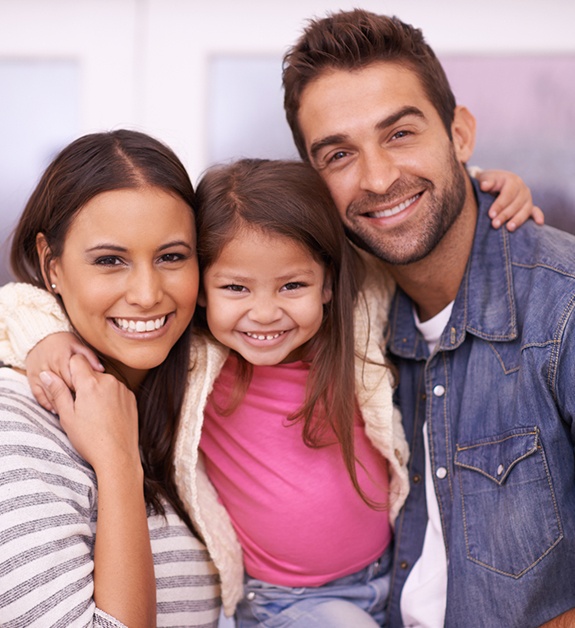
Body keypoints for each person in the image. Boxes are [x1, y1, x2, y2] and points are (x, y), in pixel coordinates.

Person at [0, 155, 542, 627]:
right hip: (287, 602)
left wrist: (478, 190)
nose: (264, 312)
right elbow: (23, 302)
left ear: (329, 281)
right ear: (206, 289)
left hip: (392, 570)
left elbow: (405, 237)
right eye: (235, 287)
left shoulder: (357, 318)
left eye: (292, 286)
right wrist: (45, 336)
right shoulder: (196, 352)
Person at [281, 8, 575, 628]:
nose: (379, 178)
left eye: (400, 134)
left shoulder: (562, 310)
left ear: (460, 134)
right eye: (338, 154)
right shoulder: (338, 314)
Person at [0, 129, 221, 627]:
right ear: (50, 265)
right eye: (110, 260)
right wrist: (118, 463)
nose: (146, 294)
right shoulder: (14, 430)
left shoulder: (191, 410)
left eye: (171, 257)